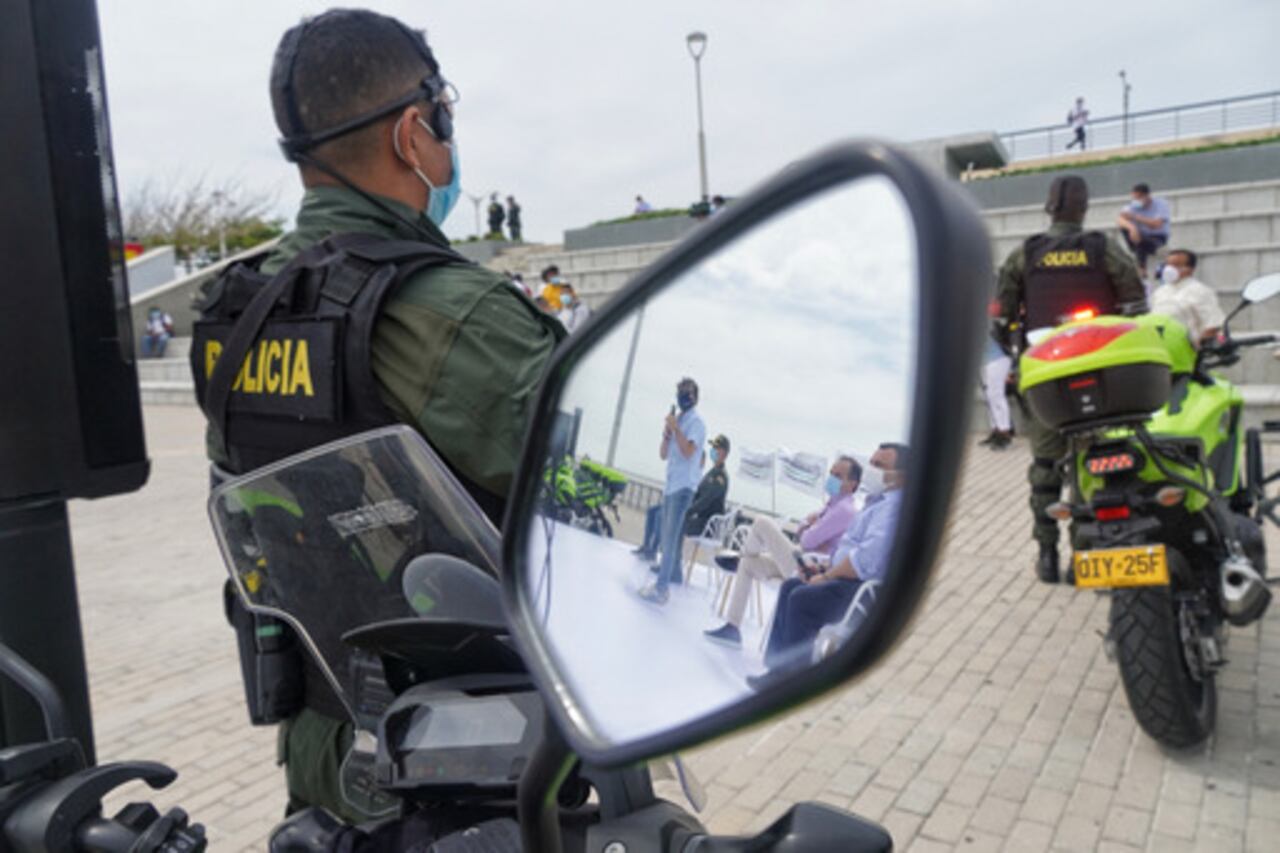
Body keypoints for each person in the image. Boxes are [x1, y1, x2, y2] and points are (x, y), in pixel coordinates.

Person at [191, 9, 562, 823]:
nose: (448, 141)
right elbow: (590, 491)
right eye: (444, 117)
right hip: (476, 767)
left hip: (321, 754)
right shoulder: (454, 312)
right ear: (411, 133)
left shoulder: (234, 310)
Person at [995, 175, 1146, 583]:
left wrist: (1014, 353)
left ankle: (1047, 554)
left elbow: (999, 315)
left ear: (1049, 206)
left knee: (1045, 468)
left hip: (1045, 376)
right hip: (1098, 374)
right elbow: (1136, 305)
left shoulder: (1025, 255)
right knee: (1091, 464)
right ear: (1083, 208)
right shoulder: (1104, 250)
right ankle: (1085, 556)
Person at [746, 444, 907, 690]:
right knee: (791, 585)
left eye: (879, 466)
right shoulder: (875, 503)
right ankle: (777, 670)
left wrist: (827, 575)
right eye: (871, 463)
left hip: (861, 593)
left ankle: (794, 683)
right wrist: (820, 571)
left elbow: (864, 560)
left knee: (803, 599)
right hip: (845, 580)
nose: (871, 470)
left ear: (902, 475)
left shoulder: (893, 508)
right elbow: (844, 550)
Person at [704, 455, 861, 648]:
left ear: (852, 484)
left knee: (762, 522)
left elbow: (806, 539)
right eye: (831, 473)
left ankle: (741, 555)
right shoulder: (831, 505)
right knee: (748, 564)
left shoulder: (844, 510)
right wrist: (808, 526)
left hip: (810, 569)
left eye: (838, 475)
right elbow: (804, 529)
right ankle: (732, 628)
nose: (832, 479)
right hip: (802, 557)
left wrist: (809, 529)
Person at [639, 378, 707, 604]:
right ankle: (670, 577)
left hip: (683, 487)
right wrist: (667, 434)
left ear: (695, 397)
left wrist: (676, 429)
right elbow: (663, 454)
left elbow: (689, 451)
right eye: (680, 392)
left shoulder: (697, 423)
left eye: (687, 393)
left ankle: (661, 589)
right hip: (671, 484)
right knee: (668, 537)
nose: (682, 397)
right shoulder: (678, 420)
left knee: (668, 540)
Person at [1151, 249, 1225, 345]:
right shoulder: (1159, 292)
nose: (1169, 269)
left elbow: (1213, 324)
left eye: (1176, 265)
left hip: (1185, 349)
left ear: (1190, 269)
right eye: (1167, 265)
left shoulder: (1200, 291)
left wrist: (1198, 349)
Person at [1116, 183, 1172, 276]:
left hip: (1157, 237)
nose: (1135, 201)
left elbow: (1157, 224)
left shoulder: (1161, 204)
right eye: (1134, 198)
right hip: (1137, 237)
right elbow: (1120, 220)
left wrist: (1135, 217)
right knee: (1126, 228)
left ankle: (1142, 269)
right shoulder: (1131, 206)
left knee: (1140, 244)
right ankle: (1155, 253)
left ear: (1146, 196)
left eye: (1138, 198)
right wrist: (1132, 228)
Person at [978, 328, 1014, 449]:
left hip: (996, 360)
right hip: (988, 362)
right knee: (989, 396)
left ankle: (1005, 433)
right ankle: (996, 430)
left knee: (996, 396)